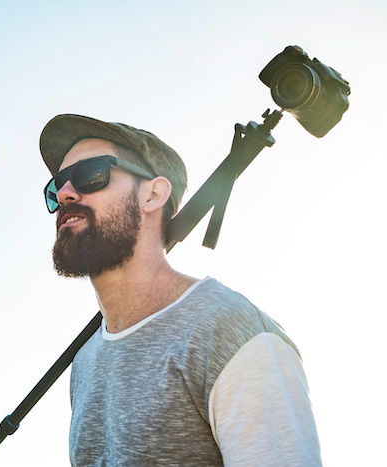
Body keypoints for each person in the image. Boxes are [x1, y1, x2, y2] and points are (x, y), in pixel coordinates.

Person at [39, 114, 322, 466]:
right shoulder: (86, 359)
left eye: (89, 174)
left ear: (153, 194)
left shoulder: (230, 332)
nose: (65, 193)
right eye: (56, 186)